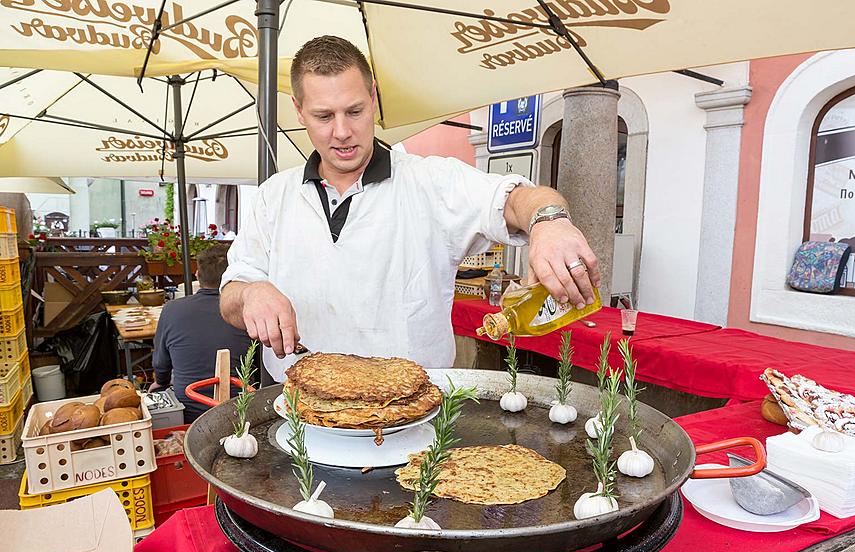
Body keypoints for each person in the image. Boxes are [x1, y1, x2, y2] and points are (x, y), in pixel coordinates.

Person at [220, 35, 600, 380]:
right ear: (299, 111)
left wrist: (549, 222)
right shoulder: (274, 195)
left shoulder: (431, 181)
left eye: (354, 111)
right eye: (324, 116)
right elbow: (232, 294)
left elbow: (516, 199)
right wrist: (251, 293)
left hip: (413, 409)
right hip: (298, 404)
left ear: (373, 98)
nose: (341, 131)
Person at [152, 244, 252, 422]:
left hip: (188, 412)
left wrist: (160, 382)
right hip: (240, 410)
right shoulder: (247, 311)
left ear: (197, 276)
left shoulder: (172, 309)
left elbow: (161, 364)